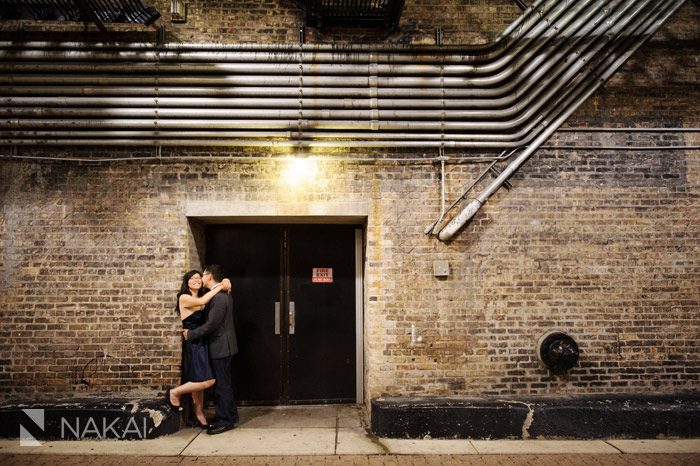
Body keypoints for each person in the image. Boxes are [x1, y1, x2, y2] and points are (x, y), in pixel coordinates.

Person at [165, 270, 230, 429]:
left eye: (198, 277)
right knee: (208, 380)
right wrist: (221, 285)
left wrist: (226, 280)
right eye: (192, 278)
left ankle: (199, 415)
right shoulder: (184, 297)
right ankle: (175, 392)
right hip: (193, 343)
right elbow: (203, 300)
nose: (196, 280)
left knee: (197, 380)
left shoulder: (201, 296)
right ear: (186, 282)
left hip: (202, 342)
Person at [183, 264, 239, 435]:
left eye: (203, 274)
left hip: (221, 346)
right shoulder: (218, 294)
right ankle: (230, 415)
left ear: (209, 276)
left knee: (222, 385)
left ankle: (225, 421)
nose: (200, 277)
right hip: (223, 345)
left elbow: (212, 325)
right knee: (224, 383)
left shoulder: (219, 297)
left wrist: (191, 334)